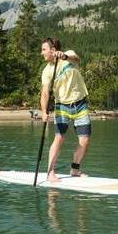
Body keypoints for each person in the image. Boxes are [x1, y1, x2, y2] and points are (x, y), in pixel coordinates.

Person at [40, 37, 90, 183]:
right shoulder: (47, 71)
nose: (41, 53)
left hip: (80, 104)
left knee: (85, 140)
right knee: (59, 138)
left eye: (44, 49)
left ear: (53, 50)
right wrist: (43, 111)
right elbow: (45, 93)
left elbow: (77, 59)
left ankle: (75, 169)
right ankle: (50, 173)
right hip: (62, 106)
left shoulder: (69, 56)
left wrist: (65, 56)